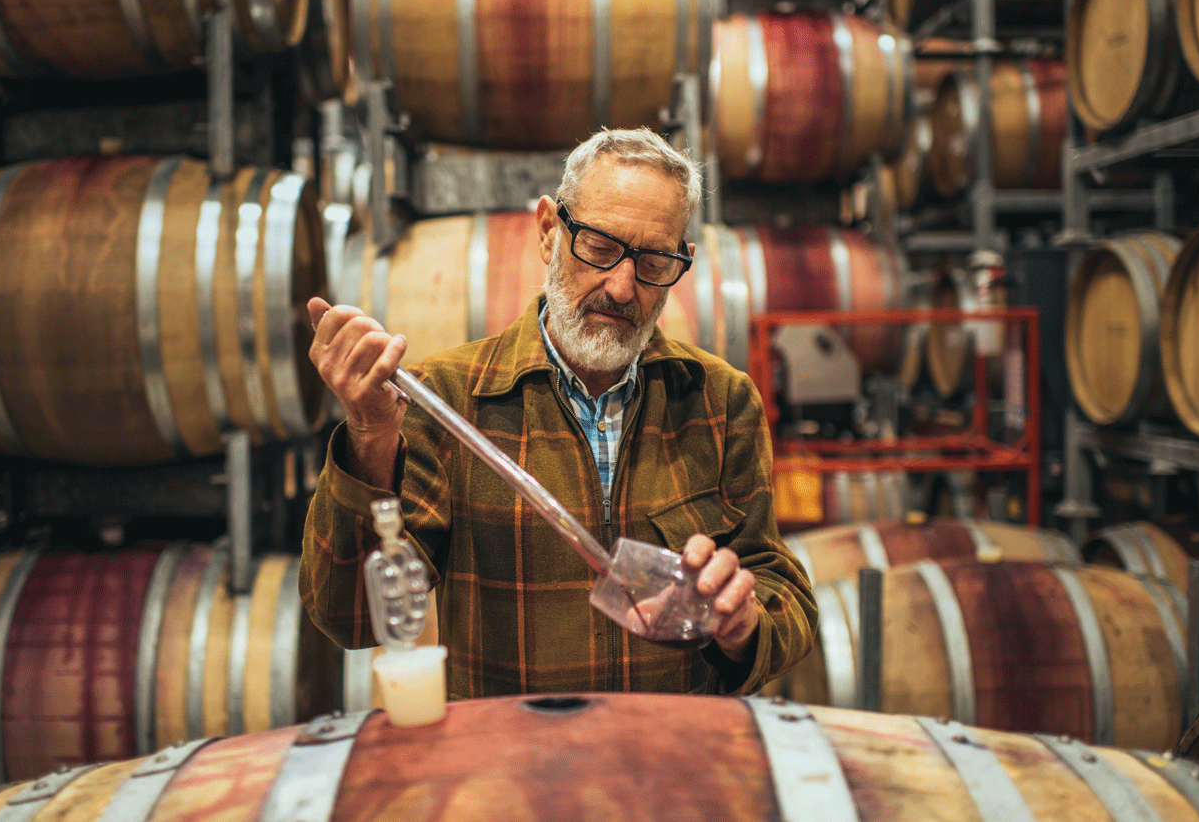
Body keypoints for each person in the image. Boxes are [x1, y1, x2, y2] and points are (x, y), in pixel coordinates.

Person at [301, 127, 816, 698]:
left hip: (671, 748)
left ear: (683, 262)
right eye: (599, 247)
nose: (622, 288)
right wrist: (371, 435)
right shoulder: (448, 398)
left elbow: (782, 594)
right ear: (549, 231)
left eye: (653, 262)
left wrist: (744, 625)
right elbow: (350, 616)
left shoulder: (719, 400)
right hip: (514, 752)